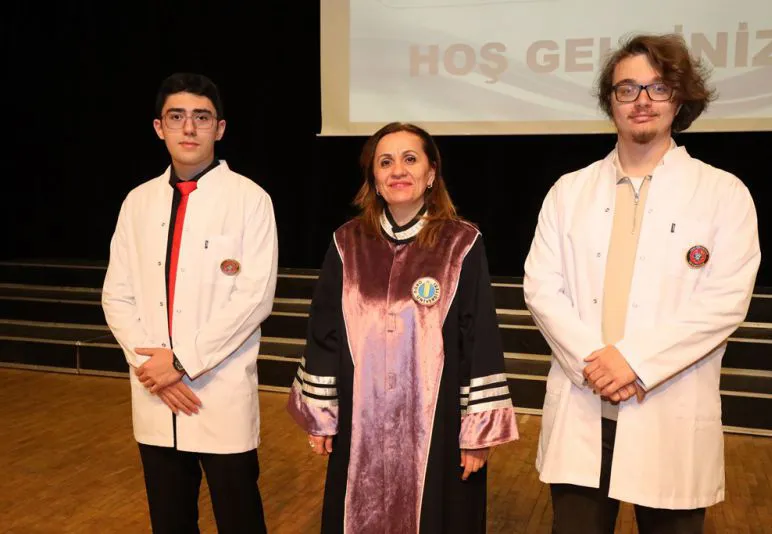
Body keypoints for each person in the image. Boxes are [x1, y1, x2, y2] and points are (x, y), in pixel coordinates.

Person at [523, 34, 761, 534]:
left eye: (658, 87)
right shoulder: (569, 191)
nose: (642, 101)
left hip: (669, 410)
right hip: (584, 407)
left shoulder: (723, 193)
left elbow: (724, 302)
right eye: (627, 89)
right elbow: (542, 288)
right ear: (610, 101)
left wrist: (632, 361)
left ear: (680, 98)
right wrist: (597, 365)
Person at [287, 122, 519, 533]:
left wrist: (478, 432)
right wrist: (322, 414)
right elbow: (325, 332)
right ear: (374, 179)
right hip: (360, 426)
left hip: (437, 428)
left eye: (410, 159)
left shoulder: (461, 244)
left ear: (431, 174)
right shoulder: (346, 243)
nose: (398, 170)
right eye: (386, 162)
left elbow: (479, 339)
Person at [101, 72, 278, 534]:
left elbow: (254, 298)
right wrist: (153, 369)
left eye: (201, 117)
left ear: (219, 128)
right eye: (176, 116)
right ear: (159, 127)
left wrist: (180, 362)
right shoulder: (137, 202)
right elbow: (117, 294)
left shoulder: (251, 200)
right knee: (170, 520)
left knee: (240, 519)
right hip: (155, 393)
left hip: (219, 390)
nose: (189, 128)